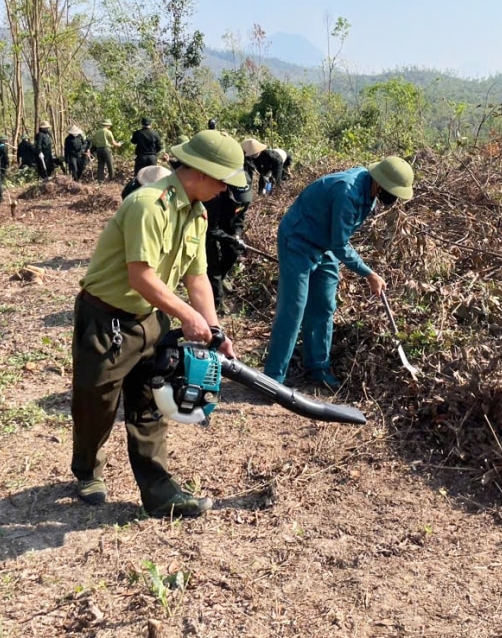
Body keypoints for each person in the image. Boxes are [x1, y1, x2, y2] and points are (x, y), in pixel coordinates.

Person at [70, 129, 246, 518]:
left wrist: (213, 331)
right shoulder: (149, 205)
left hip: (150, 317)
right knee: (95, 403)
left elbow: (197, 278)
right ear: (201, 172)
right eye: (223, 181)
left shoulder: (197, 215)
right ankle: (86, 471)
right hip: (106, 320)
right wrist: (187, 317)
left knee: (150, 402)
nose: (225, 191)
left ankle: (159, 491)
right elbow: (141, 277)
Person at [263, 156, 414, 389]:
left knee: (324, 306)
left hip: (325, 246)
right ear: (379, 182)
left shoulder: (369, 191)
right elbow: (340, 244)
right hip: (298, 241)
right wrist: (369, 274)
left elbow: (337, 241)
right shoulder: (348, 191)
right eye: (391, 191)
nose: (392, 198)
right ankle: (273, 379)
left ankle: (318, 369)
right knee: (294, 308)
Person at [204, 180, 252, 314]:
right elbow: (211, 230)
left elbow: (239, 219)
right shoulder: (214, 199)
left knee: (232, 254)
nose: (241, 202)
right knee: (212, 266)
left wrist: (236, 236)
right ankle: (216, 302)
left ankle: (219, 279)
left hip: (227, 226)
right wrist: (230, 239)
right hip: (207, 230)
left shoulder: (245, 198)